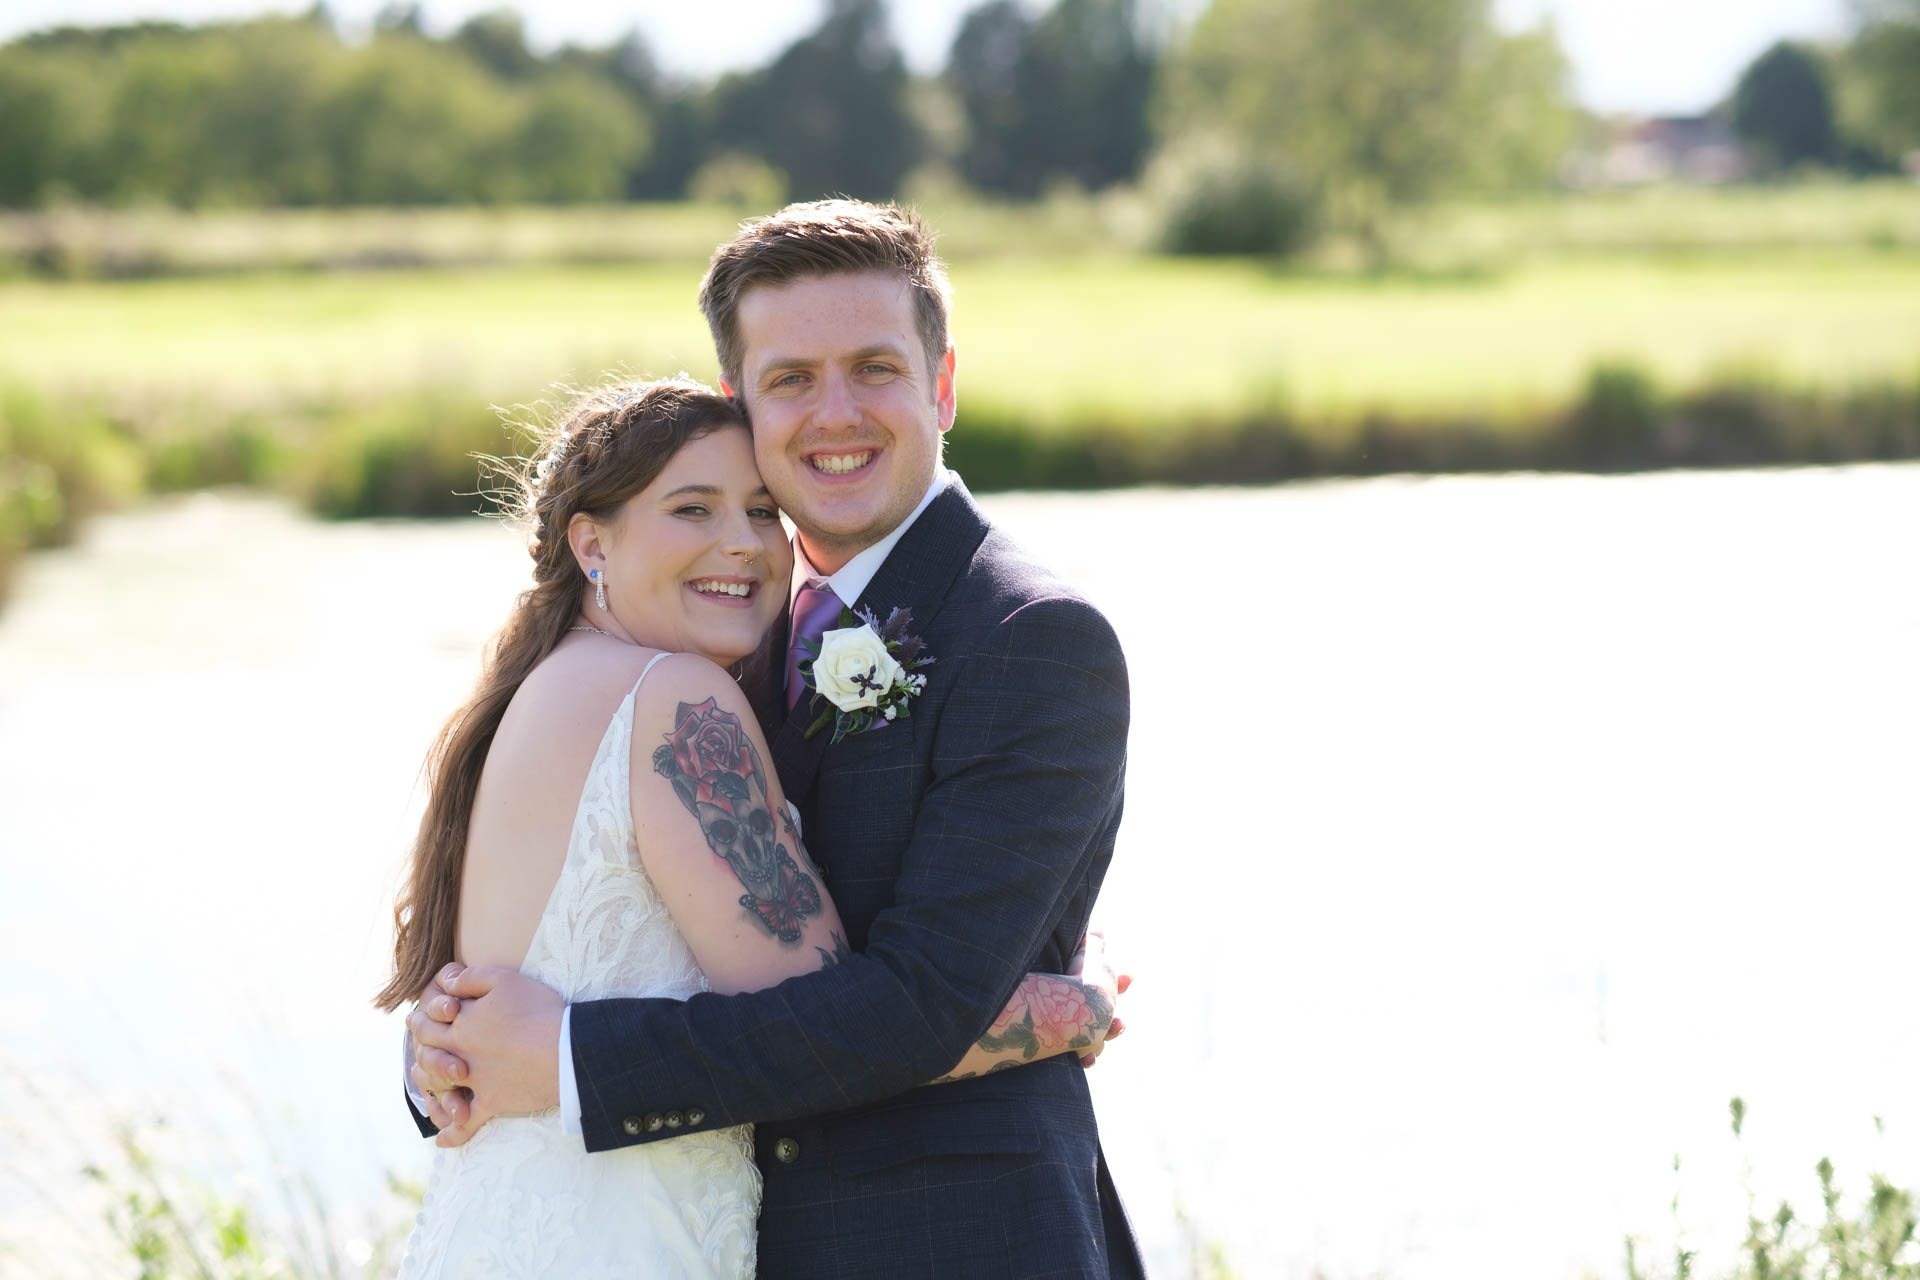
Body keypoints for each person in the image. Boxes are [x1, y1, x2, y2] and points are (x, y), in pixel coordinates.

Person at [408, 200, 1145, 1278]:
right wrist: (454, 1052)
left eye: (875, 368)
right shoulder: (715, 638)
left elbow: (916, 1005)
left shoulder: (1033, 638)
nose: (835, 412)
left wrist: (562, 1058)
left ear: (942, 384)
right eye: (792, 378)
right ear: (741, 400)